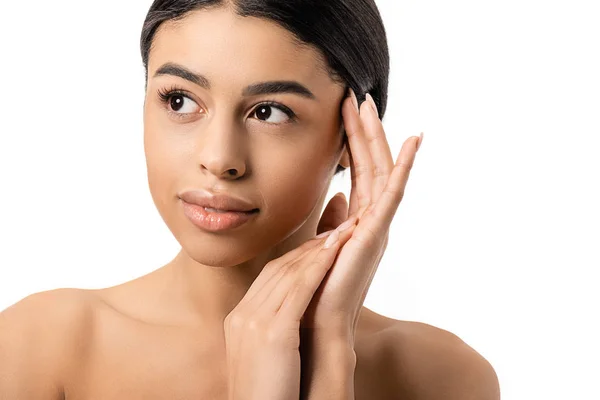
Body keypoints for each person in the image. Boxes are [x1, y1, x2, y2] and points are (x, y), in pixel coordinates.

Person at [0, 0, 500, 398]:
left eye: (271, 112)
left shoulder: (442, 380)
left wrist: (327, 352)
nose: (220, 159)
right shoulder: (40, 348)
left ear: (352, 137)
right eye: (179, 101)